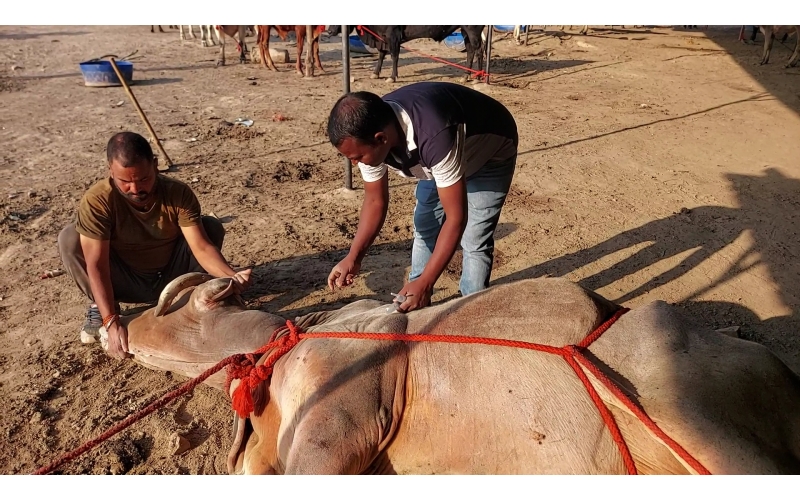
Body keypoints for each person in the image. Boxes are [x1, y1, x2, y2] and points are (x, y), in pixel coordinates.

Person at [326, 81, 518, 312]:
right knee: (425, 225)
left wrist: (427, 284)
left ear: (381, 139)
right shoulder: (371, 132)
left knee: (474, 239)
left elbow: (456, 218)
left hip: (490, 154)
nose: (355, 163)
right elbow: (375, 200)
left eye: (358, 157)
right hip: (441, 162)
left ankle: (470, 309)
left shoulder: (433, 135)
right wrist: (354, 256)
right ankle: (413, 298)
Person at [58, 131, 251, 359]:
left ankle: (185, 298)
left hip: (172, 276)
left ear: (156, 166)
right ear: (110, 170)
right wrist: (110, 322)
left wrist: (232, 277)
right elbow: (97, 265)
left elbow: (200, 247)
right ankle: (101, 309)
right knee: (71, 239)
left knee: (210, 227)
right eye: (125, 182)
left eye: (143, 179)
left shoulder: (177, 193)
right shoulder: (98, 201)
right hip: (124, 281)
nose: (135, 189)